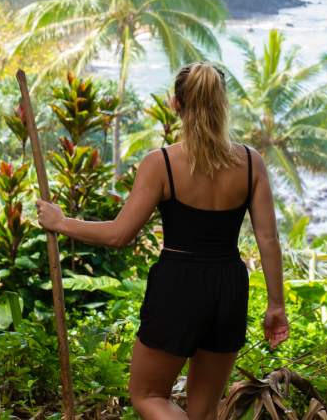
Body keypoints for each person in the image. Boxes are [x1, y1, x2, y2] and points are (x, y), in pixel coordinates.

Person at [36, 61, 289, 420]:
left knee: (148, 396)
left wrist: (62, 222)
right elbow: (268, 238)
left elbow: (120, 234)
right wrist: (275, 305)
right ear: (223, 104)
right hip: (229, 285)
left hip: (179, 285)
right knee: (202, 413)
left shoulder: (162, 164)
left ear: (176, 104)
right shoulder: (251, 163)